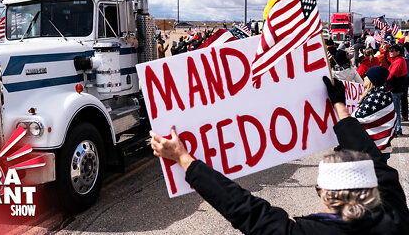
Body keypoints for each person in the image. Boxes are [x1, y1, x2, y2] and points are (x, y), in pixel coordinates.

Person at [150, 77, 409, 234]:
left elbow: (242, 208)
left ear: (325, 194)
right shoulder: (396, 217)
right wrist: (339, 105)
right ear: (371, 187)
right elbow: (375, 162)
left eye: (319, 188)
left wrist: (182, 158)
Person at [353, 66, 394, 160]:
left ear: (373, 79)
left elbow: (356, 119)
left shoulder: (375, 97)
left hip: (374, 149)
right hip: (381, 148)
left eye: (366, 76)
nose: (364, 77)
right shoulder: (384, 93)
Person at [386, 44, 408, 136]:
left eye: (392, 51)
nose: (390, 52)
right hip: (398, 88)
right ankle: (397, 128)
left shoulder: (398, 61)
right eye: (390, 50)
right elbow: (389, 59)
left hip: (395, 89)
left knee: (394, 111)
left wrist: (383, 82)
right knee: (396, 110)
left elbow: (391, 75)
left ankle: (396, 129)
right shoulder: (399, 60)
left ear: (398, 52)